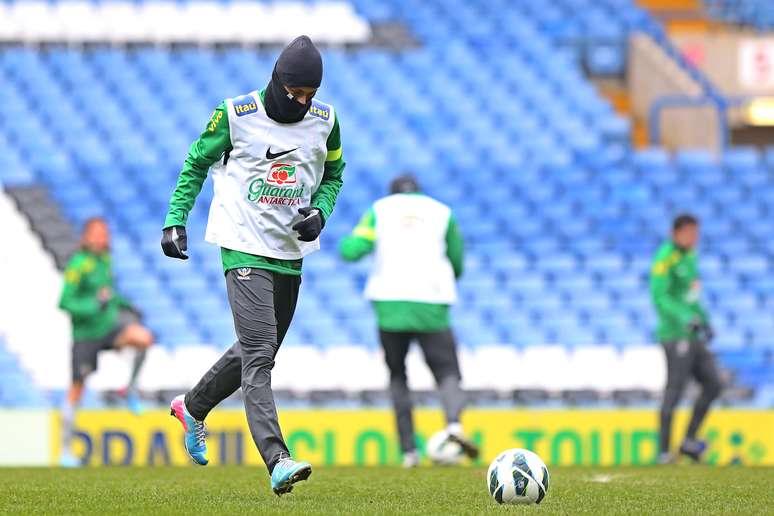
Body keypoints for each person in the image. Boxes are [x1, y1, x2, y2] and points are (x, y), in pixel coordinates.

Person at [161, 35, 344, 495]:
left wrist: (321, 211)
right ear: (276, 82)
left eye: (309, 96)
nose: (302, 103)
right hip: (242, 244)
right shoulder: (236, 115)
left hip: (289, 252)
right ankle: (277, 459)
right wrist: (175, 218)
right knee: (261, 355)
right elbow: (195, 162)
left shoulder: (326, 121)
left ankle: (193, 406)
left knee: (255, 349)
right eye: (294, 94)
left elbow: (335, 174)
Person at [338, 174, 478, 467]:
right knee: (447, 371)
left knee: (398, 376)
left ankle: (409, 452)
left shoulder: (380, 210)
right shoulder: (442, 212)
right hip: (432, 304)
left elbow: (353, 250)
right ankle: (453, 426)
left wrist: (348, 245)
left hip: (390, 303)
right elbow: (457, 260)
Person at [58, 217, 153, 466]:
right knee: (76, 389)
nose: (103, 238)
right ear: (86, 237)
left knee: (143, 338)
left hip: (108, 326)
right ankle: (65, 450)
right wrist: (94, 305)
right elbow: (65, 301)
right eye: (98, 233)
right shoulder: (79, 265)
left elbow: (108, 294)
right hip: (86, 335)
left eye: (105, 233)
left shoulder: (105, 261)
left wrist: (127, 305)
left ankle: (129, 389)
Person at [650, 214, 722, 464]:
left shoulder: (690, 256)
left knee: (713, 384)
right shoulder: (665, 257)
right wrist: (685, 319)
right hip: (674, 334)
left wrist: (704, 320)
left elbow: (692, 295)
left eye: (696, 233)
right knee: (675, 389)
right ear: (676, 233)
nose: (695, 238)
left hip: (693, 334)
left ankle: (689, 441)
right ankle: (664, 451)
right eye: (691, 233)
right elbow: (660, 297)